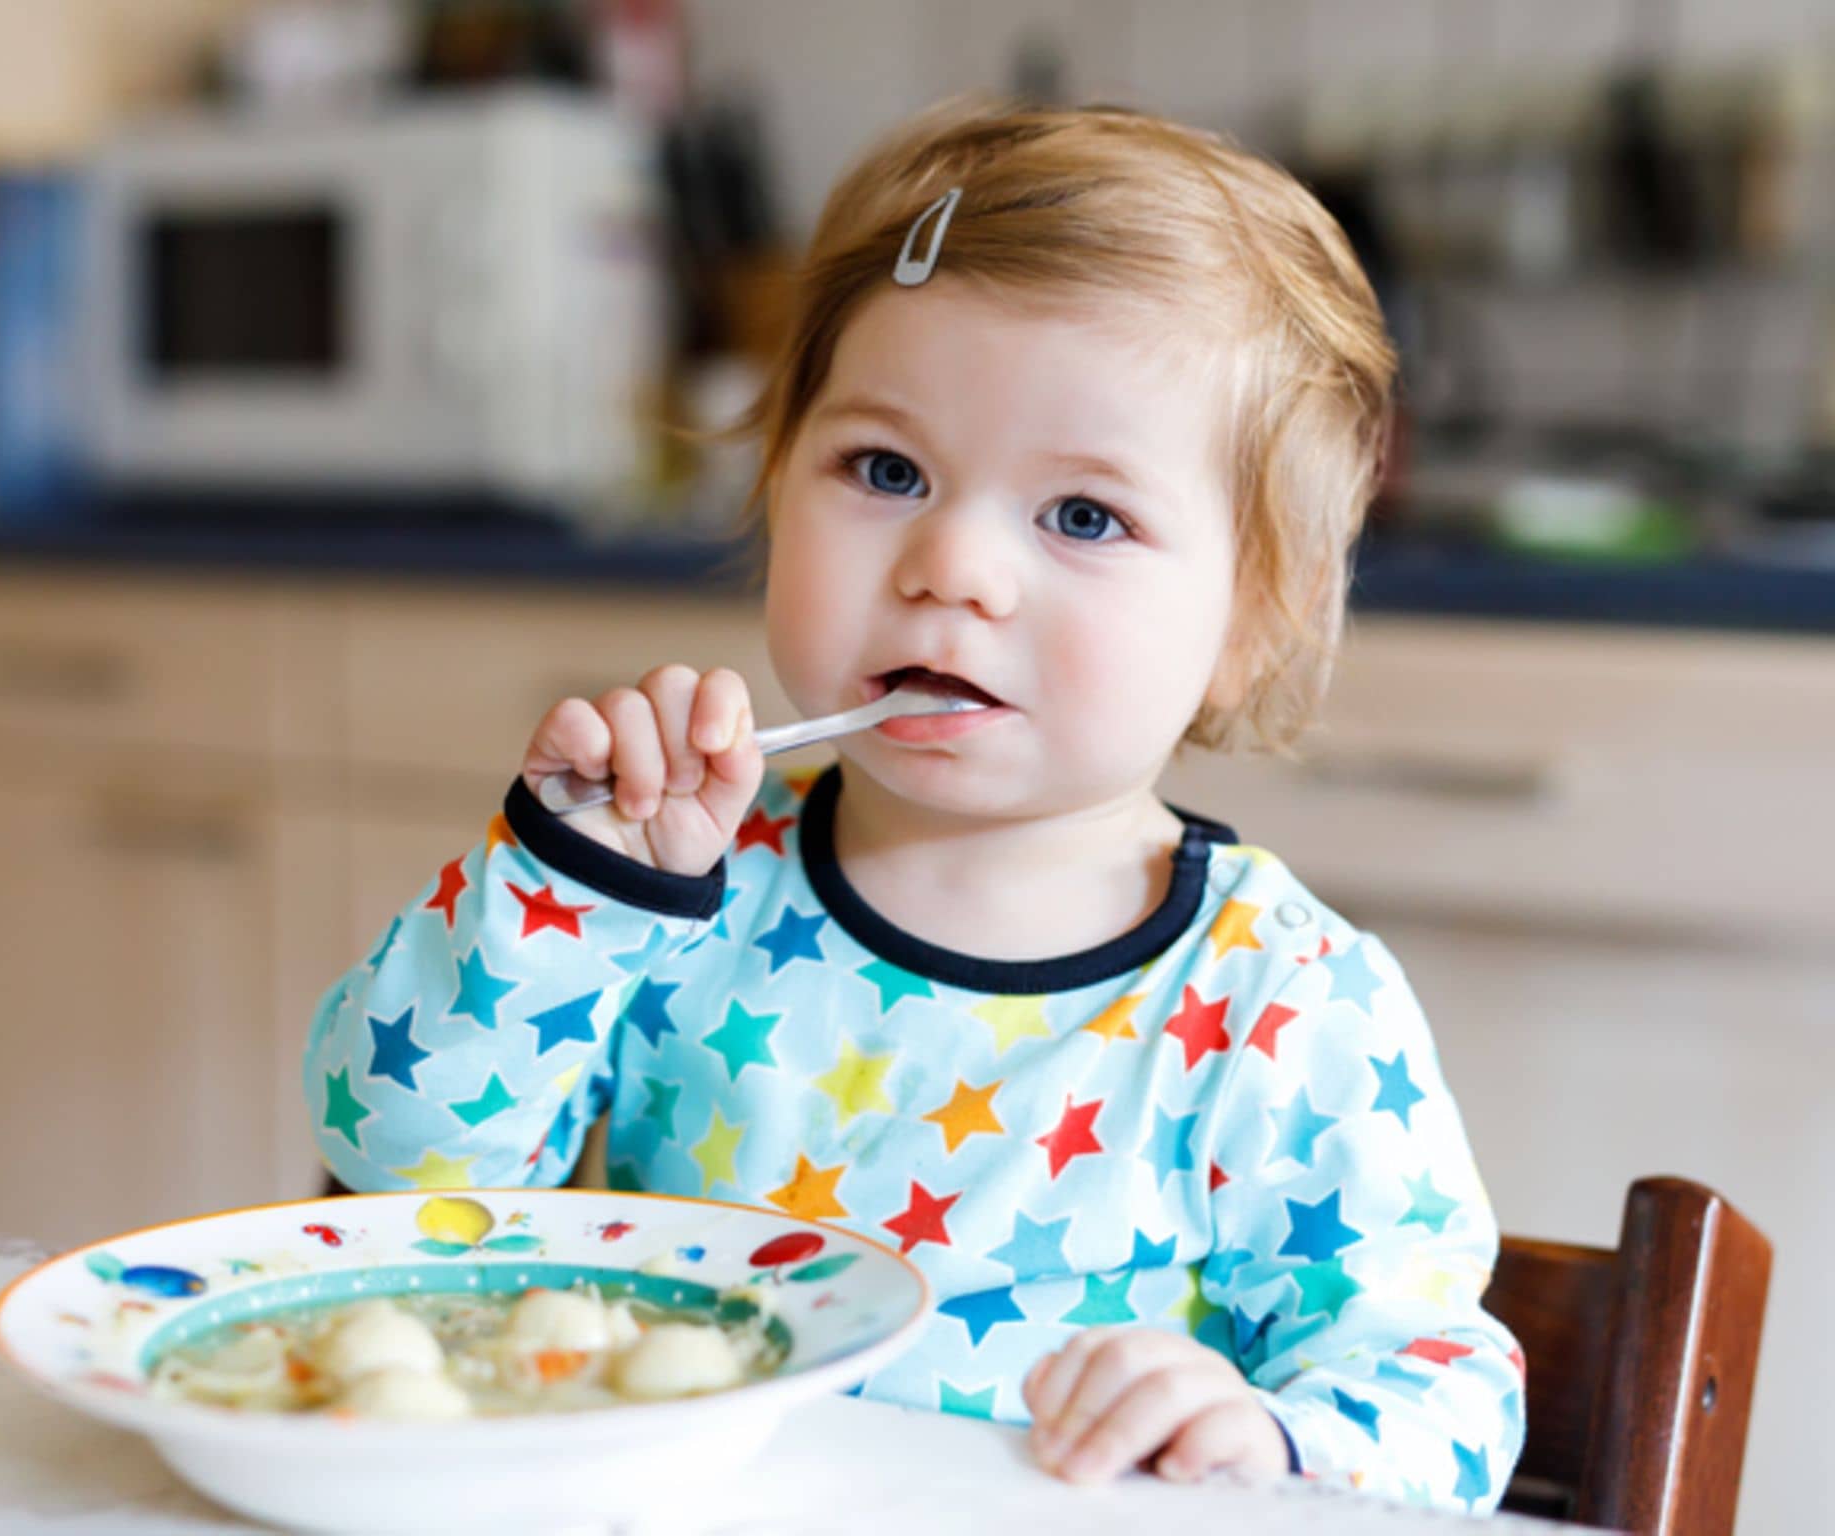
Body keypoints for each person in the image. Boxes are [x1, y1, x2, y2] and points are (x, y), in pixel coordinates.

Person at [304, 96, 1524, 1512]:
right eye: (886, 472)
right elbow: (392, 1173)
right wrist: (568, 889)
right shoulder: (679, 886)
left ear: (1250, 623)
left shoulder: (1281, 1003)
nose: (952, 564)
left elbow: (1445, 1396)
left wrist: (1275, 1440)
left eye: (1083, 516)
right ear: (773, 491)